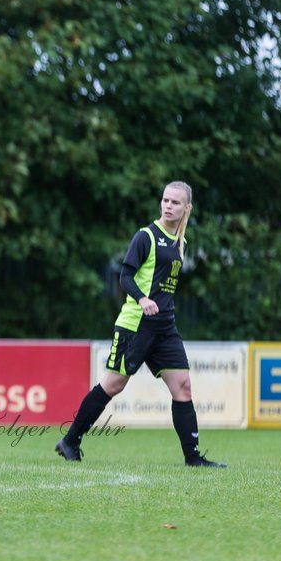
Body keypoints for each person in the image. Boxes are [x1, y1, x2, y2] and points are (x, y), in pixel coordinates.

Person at [55, 181, 226, 467]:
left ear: (187, 208)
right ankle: (70, 440)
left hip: (165, 327)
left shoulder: (179, 243)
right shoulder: (146, 236)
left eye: (175, 202)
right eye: (165, 200)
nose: (168, 206)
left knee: (182, 386)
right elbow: (124, 276)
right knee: (113, 384)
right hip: (137, 325)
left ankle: (193, 458)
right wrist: (142, 299)